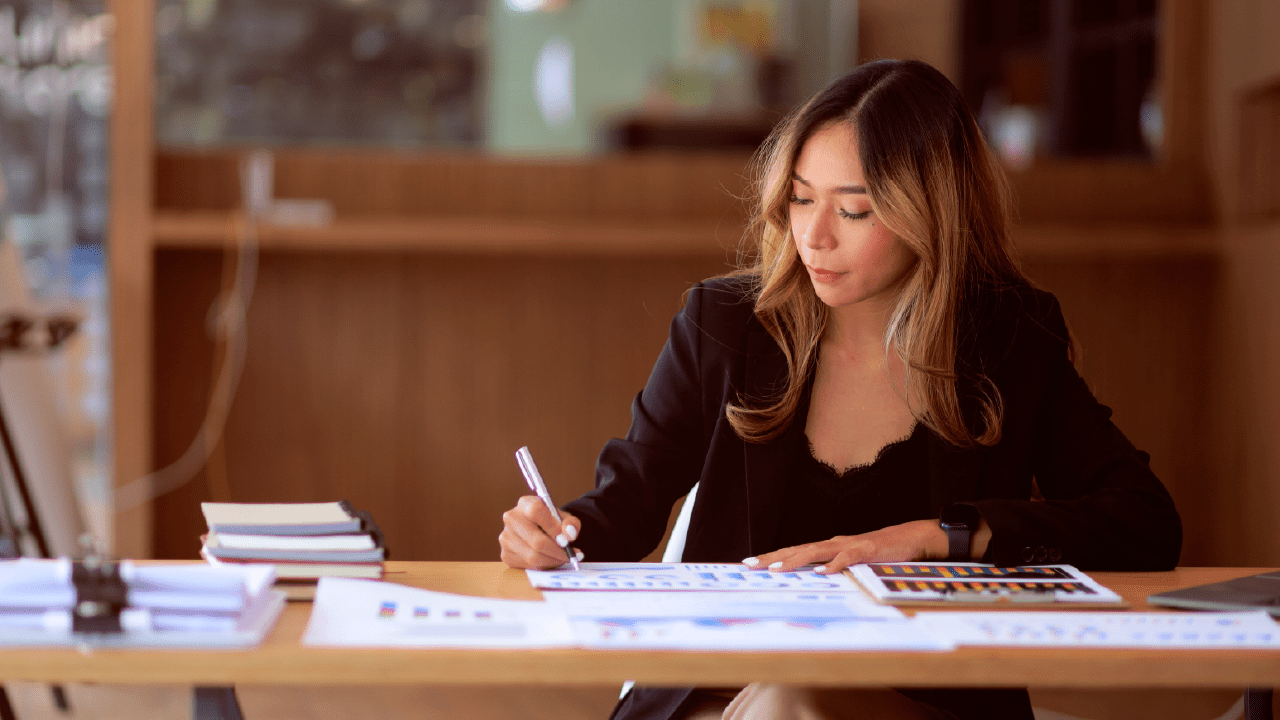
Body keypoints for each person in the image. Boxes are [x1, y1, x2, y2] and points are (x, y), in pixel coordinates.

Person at [498, 59, 1182, 720]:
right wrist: (559, 535)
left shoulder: (1009, 340)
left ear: (931, 212)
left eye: (854, 211)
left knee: (791, 704)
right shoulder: (726, 326)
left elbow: (1145, 523)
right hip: (717, 694)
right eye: (800, 199)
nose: (813, 236)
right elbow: (627, 501)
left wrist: (940, 539)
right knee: (782, 704)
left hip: (914, 702)